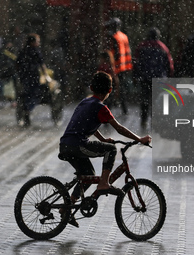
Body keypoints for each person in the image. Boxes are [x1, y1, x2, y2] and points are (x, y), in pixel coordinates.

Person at [58, 71, 151, 226]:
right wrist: (139, 139)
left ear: (92, 87)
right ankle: (104, 183)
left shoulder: (85, 102)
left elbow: (87, 124)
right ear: (109, 90)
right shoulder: (101, 108)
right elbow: (119, 129)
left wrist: (102, 139)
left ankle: (65, 209)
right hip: (78, 145)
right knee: (111, 149)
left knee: (87, 176)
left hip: (66, 145)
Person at [134, 27, 174, 127]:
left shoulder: (142, 46)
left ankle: (143, 120)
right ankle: (155, 121)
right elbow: (169, 64)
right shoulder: (163, 47)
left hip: (145, 78)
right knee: (155, 100)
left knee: (144, 99)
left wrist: (135, 75)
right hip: (158, 79)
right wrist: (169, 76)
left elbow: (136, 62)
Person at [16, 33, 51, 127]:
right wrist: (46, 75)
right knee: (34, 94)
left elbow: (17, 64)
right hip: (33, 76)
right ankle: (27, 110)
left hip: (24, 76)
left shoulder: (23, 51)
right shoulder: (36, 51)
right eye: (37, 41)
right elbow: (42, 64)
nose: (38, 43)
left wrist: (20, 74)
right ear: (32, 42)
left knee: (26, 94)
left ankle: (25, 110)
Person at [105, 17, 133, 114]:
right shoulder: (124, 36)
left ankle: (107, 110)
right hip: (124, 67)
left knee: (112, 90)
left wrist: (111, 65)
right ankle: (125, 110)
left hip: (116, 68)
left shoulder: (113, 37)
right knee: (122, 89)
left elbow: (115, 54)